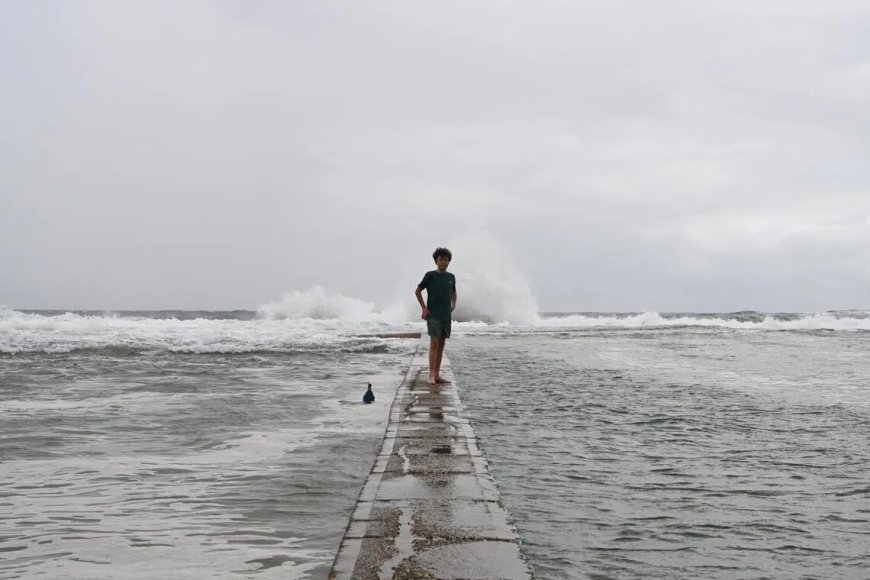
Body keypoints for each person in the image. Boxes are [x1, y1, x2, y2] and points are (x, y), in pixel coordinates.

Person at [415, 247, 457, 385]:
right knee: (434, 343)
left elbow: (453, 292)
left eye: (446, 260)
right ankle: (431, 375)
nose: (443, 262)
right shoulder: (430, 275)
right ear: (436, 261)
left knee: (441, 345)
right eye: (441, 259)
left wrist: (454, 304)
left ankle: (437, 375)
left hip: (446, 315)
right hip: (433, 315)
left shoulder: (451, 277)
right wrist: (424, 308)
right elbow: (418, 291)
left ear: (449, 262)